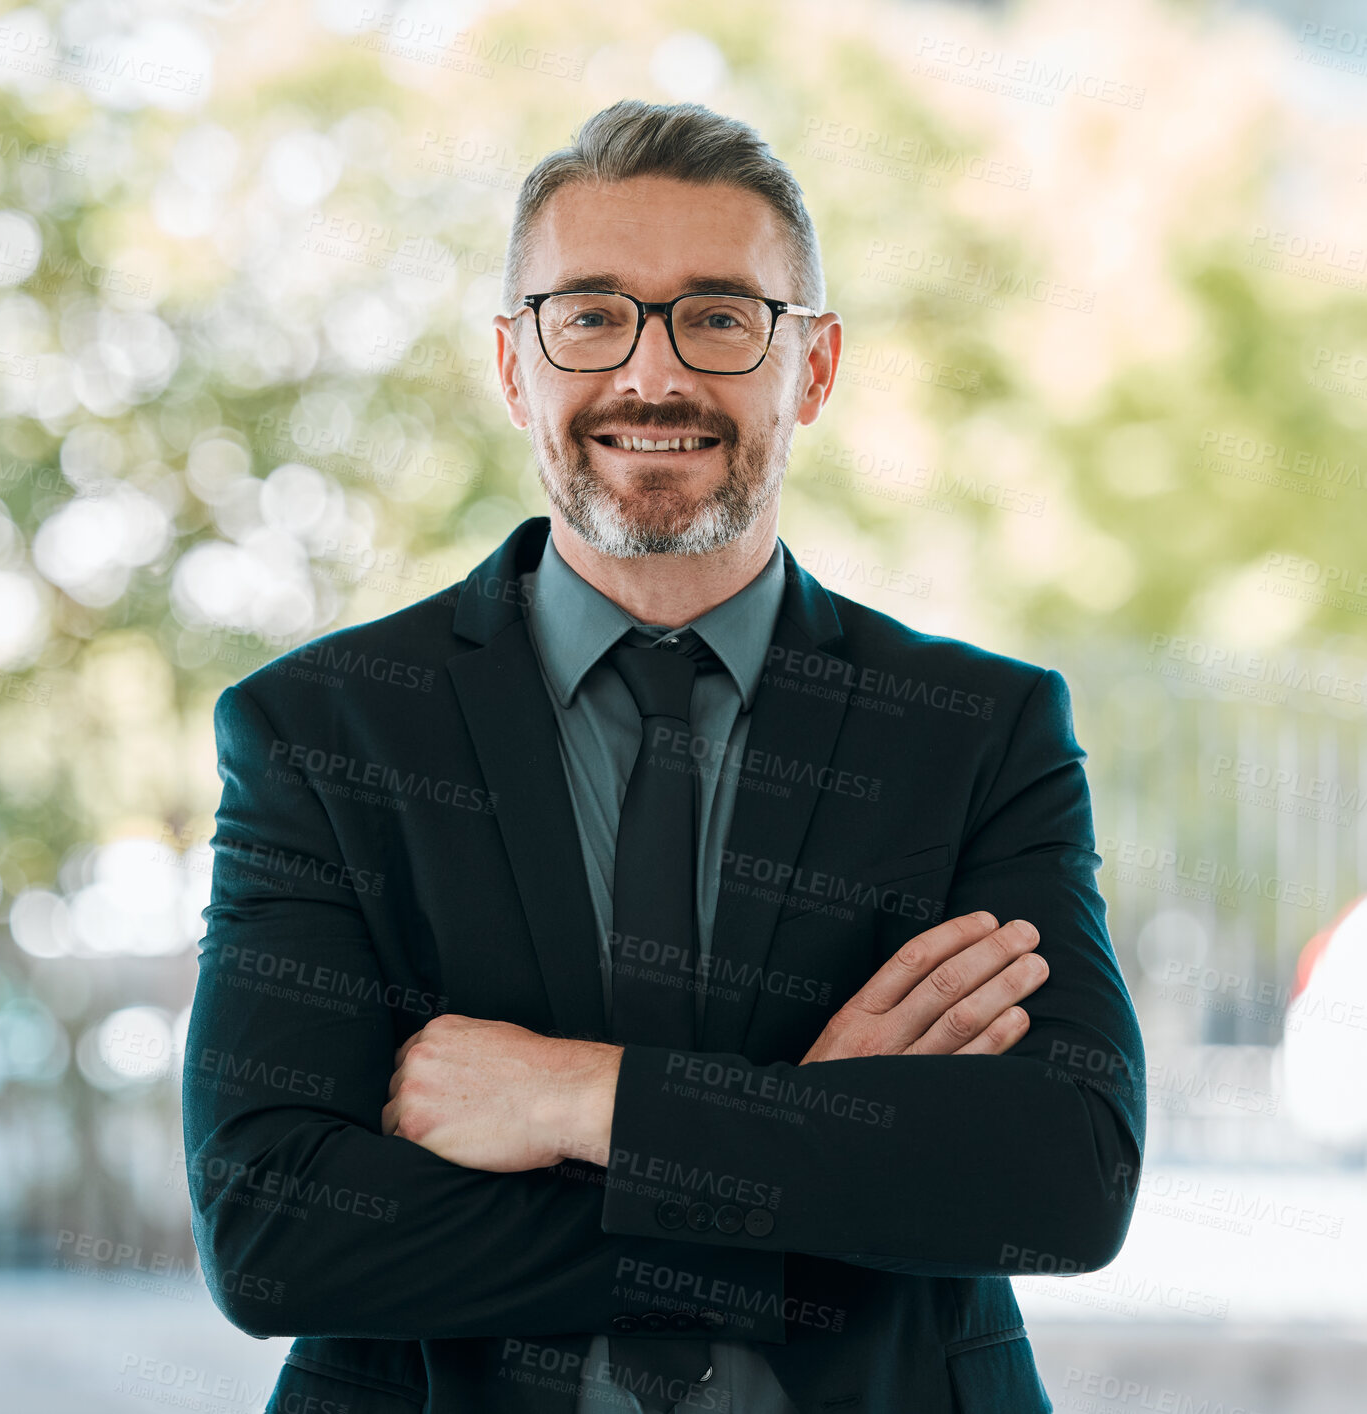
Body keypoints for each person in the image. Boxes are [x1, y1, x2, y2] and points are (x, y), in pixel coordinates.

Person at [183, 100, 1145, 1414]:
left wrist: (582, 1098)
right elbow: (274, 1235)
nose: (651, 375)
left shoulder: (975, 731)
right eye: (588, 314)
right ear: (516, 366)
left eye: (718, 315)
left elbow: (1061, 1176)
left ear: (810, 365)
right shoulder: (324, 730)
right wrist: (809, 1148)